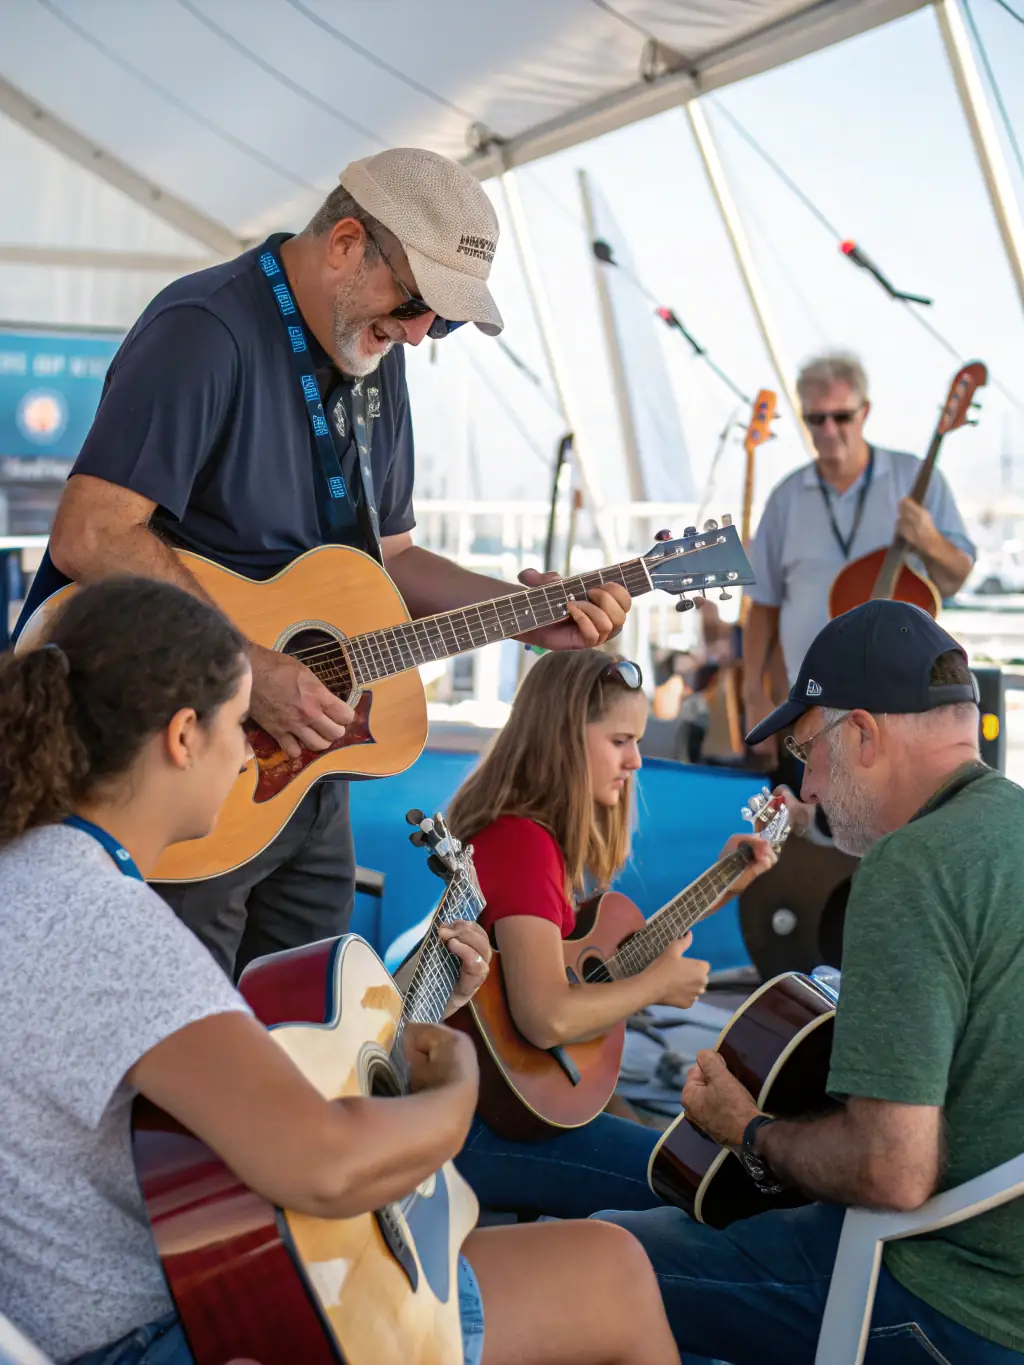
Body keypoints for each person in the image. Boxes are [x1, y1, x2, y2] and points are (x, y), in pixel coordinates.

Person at [0, 577, 679, 1365]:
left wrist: (420, 1015)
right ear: (185, 736)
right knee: (614, 1270)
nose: (256, 753)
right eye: (245, 722)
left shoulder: (35, 876)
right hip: (177, 1329)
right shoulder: (108, 922)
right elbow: (323, 1162)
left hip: (87, 1322)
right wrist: (455, 1091)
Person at [14, 147, 630, 979]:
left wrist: (525, 611)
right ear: (345, 243)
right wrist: (245, 666)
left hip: (305, 775)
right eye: (417, 304)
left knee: (307, 1030)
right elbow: (91, 532)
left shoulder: (377, 358)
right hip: (178, 759)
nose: (420, 334)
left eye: (440, 323)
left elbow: (392, 557)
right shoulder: (206, 328)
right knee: (176, 1065)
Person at [598, 600, 1024, 1364]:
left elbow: (893, 1168)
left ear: (862, 733)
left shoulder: (915, 865)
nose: (808, 788)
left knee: (589, 1261)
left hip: (935, 1294)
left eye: (805, 753)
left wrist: (747, 1130)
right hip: (1000, 1275)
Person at [445, 648, 776, 1219]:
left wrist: (721, 886)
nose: (638, 761)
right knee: (701, 1193)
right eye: (621, 741)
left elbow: (609, 962)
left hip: (506, 1105)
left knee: (681, 1150)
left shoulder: (527, 836)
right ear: (564, 739)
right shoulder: (522, 845)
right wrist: (658, 987)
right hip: (485, 1125)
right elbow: (546, 1016)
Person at [743, 351, 974, 767]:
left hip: (899, 709)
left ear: (865, 412)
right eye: (816, 419)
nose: (829, 429)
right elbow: (764, 604)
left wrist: (929, 540)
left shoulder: (914, 477)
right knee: (805, 820)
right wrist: (754, 695)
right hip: (811, 707)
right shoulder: (786, 497)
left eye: (841, 416)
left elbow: (957, 577)